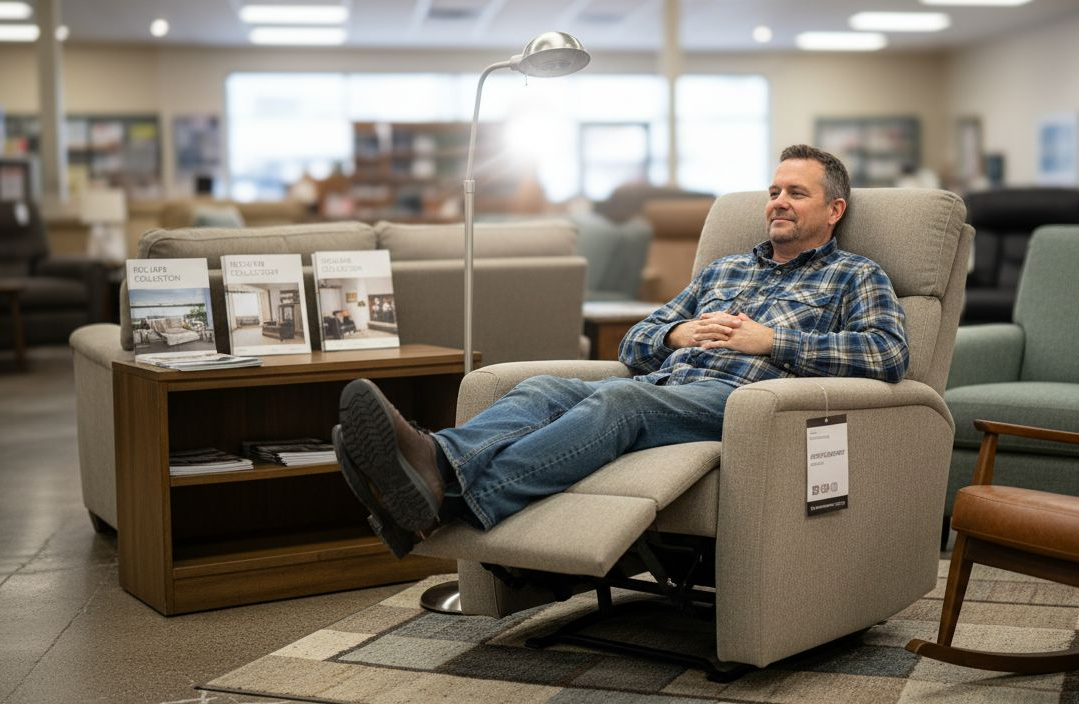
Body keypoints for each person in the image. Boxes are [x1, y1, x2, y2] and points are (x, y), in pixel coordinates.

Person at [333, 144, 909, 558]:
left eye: (796, 193)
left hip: (743, 402)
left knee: (619, 406)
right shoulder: (726, 269)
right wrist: (676, 335)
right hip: (667, 385)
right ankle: (433, 463)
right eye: (774, 191)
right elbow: (636, 341)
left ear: (833, 210)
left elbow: (887, 355)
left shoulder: (854, 275)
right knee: (541, 390)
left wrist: (773, 340)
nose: (778, 202)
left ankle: (446, 498)